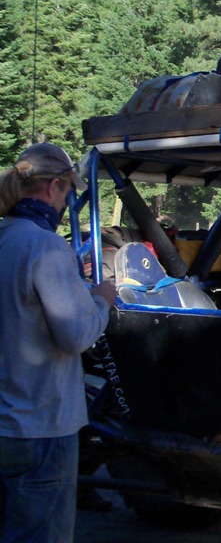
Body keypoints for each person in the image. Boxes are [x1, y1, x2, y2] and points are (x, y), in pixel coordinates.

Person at [0, 143, 116, 543]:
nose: (66, 202)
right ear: (52, 187)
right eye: (67, 193)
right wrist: (101, 299)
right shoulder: (45, 245)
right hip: (41, 427)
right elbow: (77, 336)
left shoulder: (5, 237)